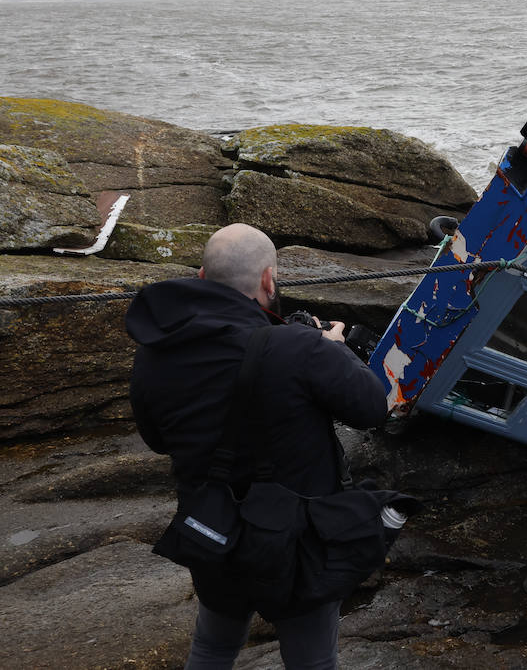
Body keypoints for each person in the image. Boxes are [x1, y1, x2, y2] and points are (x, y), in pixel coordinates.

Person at [126, 223, 389, 669]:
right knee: (312, 658)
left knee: (213, 645)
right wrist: (335, 349)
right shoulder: (300, 347)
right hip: (295, 538)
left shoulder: (156, 350)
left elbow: (156, 439)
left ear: (202, 274)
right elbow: (372, 409)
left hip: (212, 526)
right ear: (269, 280)